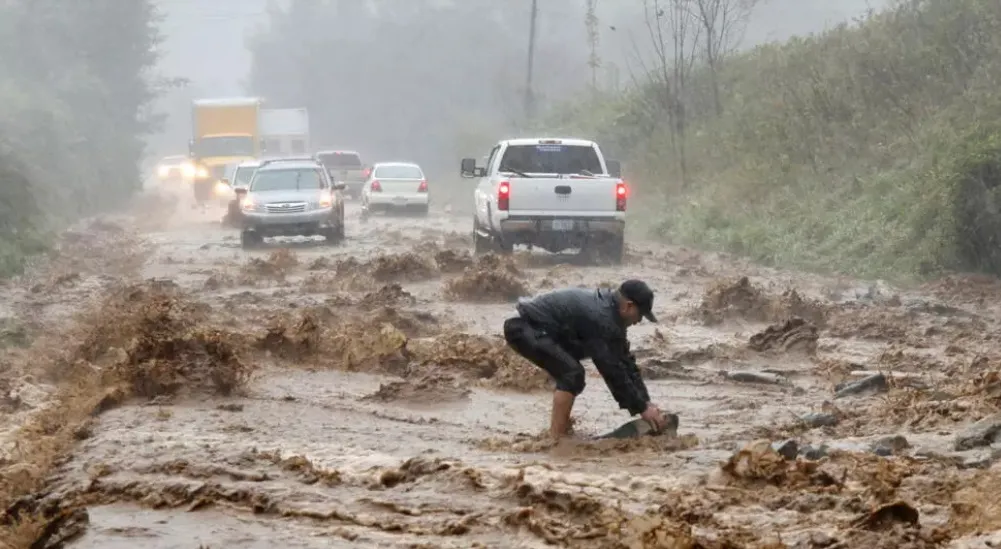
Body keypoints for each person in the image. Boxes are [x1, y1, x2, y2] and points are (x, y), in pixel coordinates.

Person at [503, 279, 668, 440]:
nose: (639, 321)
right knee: (572, 374)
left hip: (541, 329)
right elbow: (612, 371)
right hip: (522, 327)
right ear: (628, 306)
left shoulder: (612, 317)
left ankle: (560, 432)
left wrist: (646, 402)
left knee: (572, 373)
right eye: (640, 315)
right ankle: (557, 439)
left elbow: (626, 363)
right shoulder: (601, 318)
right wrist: (641, 408)